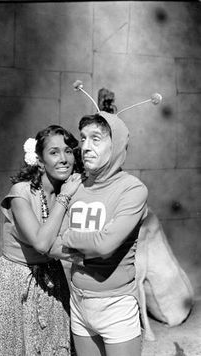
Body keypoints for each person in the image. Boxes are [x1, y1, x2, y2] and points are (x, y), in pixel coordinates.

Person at [0, 124, 83, 356]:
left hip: (52, 282)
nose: (64, 159)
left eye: (68, 151)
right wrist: (65, 197)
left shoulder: (76, 191)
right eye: (54, 152)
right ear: (40, 161)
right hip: (14, 284)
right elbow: (42, 243)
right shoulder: (20, 193)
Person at [50, 111, 148, 356]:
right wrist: (85, 251)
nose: (86, 147)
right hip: (79, 301)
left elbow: (105, 245)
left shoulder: (132, 189)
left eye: (96, 139)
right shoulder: (75, 185)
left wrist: (70, 238)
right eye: (83, 139)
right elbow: (50, 243)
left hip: (116, 303)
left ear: (114, 145)